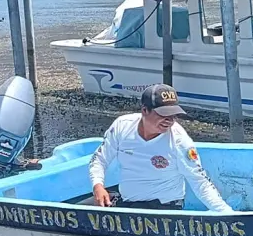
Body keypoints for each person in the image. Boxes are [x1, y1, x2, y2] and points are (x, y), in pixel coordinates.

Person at [89, 84, 232, 212]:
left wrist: (227, 214)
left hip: (165, 209)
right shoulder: (122, 126)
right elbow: (99, 160)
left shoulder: (180, 140)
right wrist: (98, 186)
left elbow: (200, 183)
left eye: (174, 115)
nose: (170, 121)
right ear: (145, 110)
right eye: (164, 114)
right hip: (128, 205)